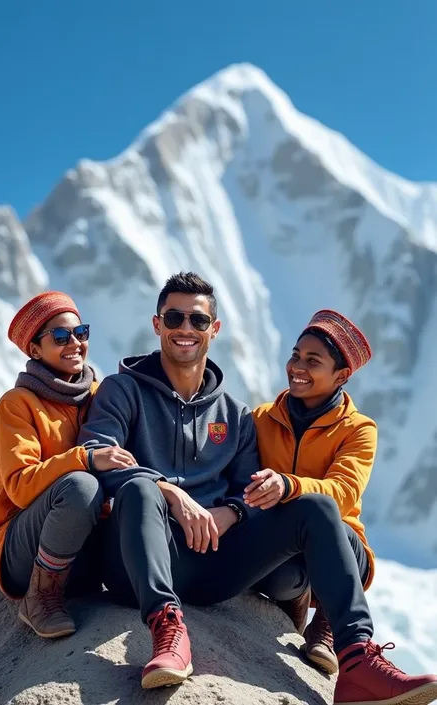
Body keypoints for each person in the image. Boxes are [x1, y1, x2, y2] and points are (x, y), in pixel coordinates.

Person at [79, 274, 437, 704]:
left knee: (318, 509)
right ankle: (167, 630)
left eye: (198, 318)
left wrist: (231, 511)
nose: (186, 328)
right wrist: (169, 493)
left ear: (215, 328)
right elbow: (97, 451)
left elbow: (247, 489)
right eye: (175, 317)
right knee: (140, 490)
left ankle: (357, 660)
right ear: (158, 325)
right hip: (132, 567)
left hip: (209, 564)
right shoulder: (122, 390)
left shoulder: (235, 414)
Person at [0, 291, 134, 639]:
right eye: (60, 337)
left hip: (86, 545)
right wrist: (85, 457)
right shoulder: (18, 404)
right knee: (82, 486)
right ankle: (41, 597)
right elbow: (19, 487)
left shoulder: (101, 395)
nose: (75, 344)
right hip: (22, 548)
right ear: (35, 350)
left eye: (81, 333)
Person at [250, 310, 376, 675]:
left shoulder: (359, 430)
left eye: (312, 361)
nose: (297, 367)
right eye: (295, 356)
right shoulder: (261, 418)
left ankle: (328, 624)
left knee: (332, 523)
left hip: (343, 547)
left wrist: (289, 485)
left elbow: (344, 491)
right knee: (281, 580)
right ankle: (298, 598)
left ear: (341, 376)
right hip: (279, 546)